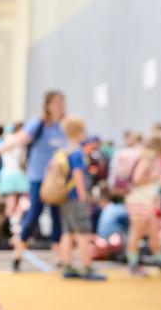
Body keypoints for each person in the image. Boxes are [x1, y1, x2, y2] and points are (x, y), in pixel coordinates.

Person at [0, 90, 67, 272]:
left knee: (57, 217)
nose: (59, 106)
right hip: (38, 177)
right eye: (56, 103)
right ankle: (18, 254)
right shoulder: (39, 123)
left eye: (62, 103)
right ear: (47, 105)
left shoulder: (62, 126)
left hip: (56, 180)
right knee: (33, 214)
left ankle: (59, 257)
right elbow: (18, 139)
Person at [55, 116, 106, 281]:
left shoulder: (64, 150)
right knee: (83, 232)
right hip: (76, 197)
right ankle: (86, 266)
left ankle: (67, 264)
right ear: (78, 132)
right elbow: (78, 176)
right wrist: (83, 197)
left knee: (68, 231)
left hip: (65, 198)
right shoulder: (76, 152)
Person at [125, 135, 161, 275]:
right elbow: (137, 178)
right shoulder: (148, 158)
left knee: (153, 231)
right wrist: (155, 178)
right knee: (136, 232)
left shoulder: (150, 158)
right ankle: (133, 263)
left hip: (146, 201)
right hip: (140, 201)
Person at [0, 122, 29, 229]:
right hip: (11, 172)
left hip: (15, 172)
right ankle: (10, 225)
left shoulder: (17, 140)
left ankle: (13, 222)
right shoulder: (12, 139)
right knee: (12, 201)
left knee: (18, 200)